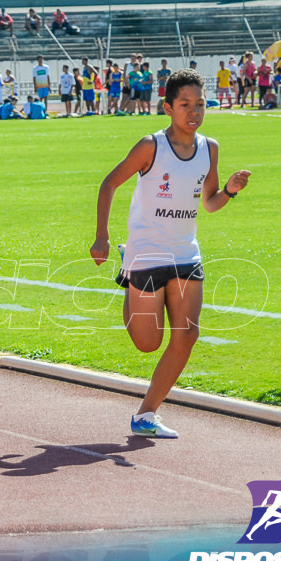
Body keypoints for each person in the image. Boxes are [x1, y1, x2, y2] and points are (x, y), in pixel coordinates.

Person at [90, 68, 251, 438]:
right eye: (184, 104)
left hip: (185, 253)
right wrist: (101, 236)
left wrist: (228, 190)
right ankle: (126, 271)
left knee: (187, 335)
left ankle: (147, 414)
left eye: (200, 104)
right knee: (147, 344)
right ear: (167, 107)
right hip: (146, 254)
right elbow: (109, 183)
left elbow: (208, 204)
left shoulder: (210, 148)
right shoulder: (151, 146)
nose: (193, 111)